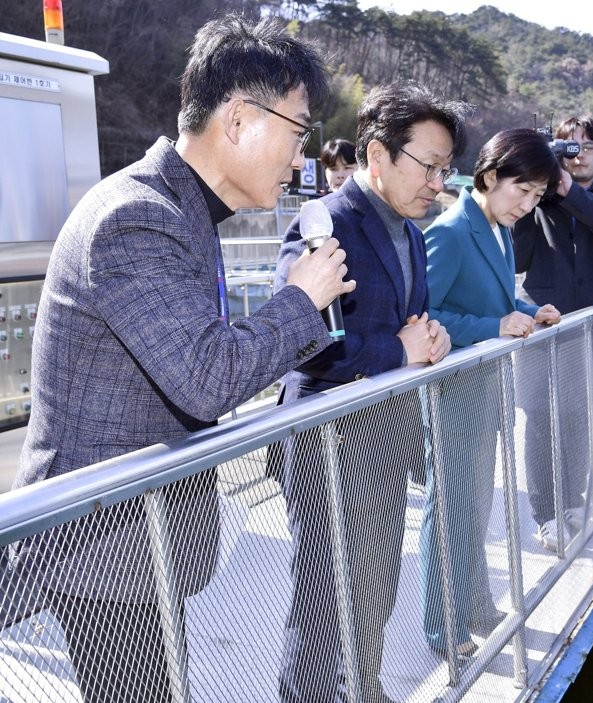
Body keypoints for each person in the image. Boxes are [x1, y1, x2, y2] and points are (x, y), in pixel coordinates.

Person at [9, 14, 349, 703]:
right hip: (99, 550)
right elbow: (206, 377)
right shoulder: (136, 215)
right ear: (238, 119)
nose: (299, 159)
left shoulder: (181, 210)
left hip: (132, 542)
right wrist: (299, 302)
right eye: (298, 130)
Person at [273, 80, 468, 703]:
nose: (438, 184)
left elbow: (409, 323)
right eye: (429, 167)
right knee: (326, 596)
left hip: (384, 432)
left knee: (379, 579)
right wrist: (398, 352)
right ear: (378, 154)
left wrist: (430, 338)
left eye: (445, 169)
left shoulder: (410, 230)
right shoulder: (326, 221)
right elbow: (300, 339)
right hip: (327, 443)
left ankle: (365, 687)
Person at [421, 128, 561, 657]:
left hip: (484, 390)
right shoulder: (453, 230)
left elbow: (500, 299)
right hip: (452, 392)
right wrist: (494, 326)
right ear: (489, 175)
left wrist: (530, 312)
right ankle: (444, 625)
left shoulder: (497, 229)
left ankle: (476, 605)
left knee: (476, 506)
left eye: (537, 197)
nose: (527, 205)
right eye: (521, 191)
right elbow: (423, 316)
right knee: (450, 508)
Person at [511, 116, 593, 552]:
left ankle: (573, 503)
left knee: (581, 420)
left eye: (588, 146)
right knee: (540, 420)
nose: (579, 154)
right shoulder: (536, 200)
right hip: (544, 329)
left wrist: (569, 192)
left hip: (592, 330)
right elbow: (515, 259)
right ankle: (546, 514)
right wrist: (534, 192)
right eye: (568, 147)